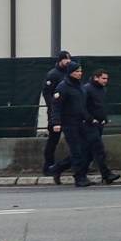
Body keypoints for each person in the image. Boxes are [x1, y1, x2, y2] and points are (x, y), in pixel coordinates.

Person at [52, 61, 94, 187]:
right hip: (69, 123)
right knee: (77, 151)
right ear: (70, 72)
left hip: (81, 122)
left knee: (86, 149)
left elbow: (81, 106)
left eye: (80, 71)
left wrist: (89, 118)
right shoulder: (63, 87)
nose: (79, 74)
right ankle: (79, 177)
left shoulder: (80, 86)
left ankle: (58, 168)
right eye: (76, 71)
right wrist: (56, 122)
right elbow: (56, 106)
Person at [83, 69, 121, 184]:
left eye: (106, 79)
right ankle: (106, 174)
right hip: (89, 124)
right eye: (103, 78)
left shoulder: (102, 90)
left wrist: (104, 118)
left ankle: (60, 169)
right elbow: (83, 107)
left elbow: (100, 106)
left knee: (88, 151)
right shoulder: (87, 89)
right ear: (96, 77)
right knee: (99, 149)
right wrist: (90, 119)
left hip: (99, 123)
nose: (106, 81)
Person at [41, 49, 72, 182]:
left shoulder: (69, 74)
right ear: (60, 60)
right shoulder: (53, 74)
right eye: (66, 58)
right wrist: (53, 107)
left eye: (69, 58)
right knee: (53, 140)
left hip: (69, 113)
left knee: (73, 139)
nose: (68, 61)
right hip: (56, 113)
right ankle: (48, 165)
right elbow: (47, 92)